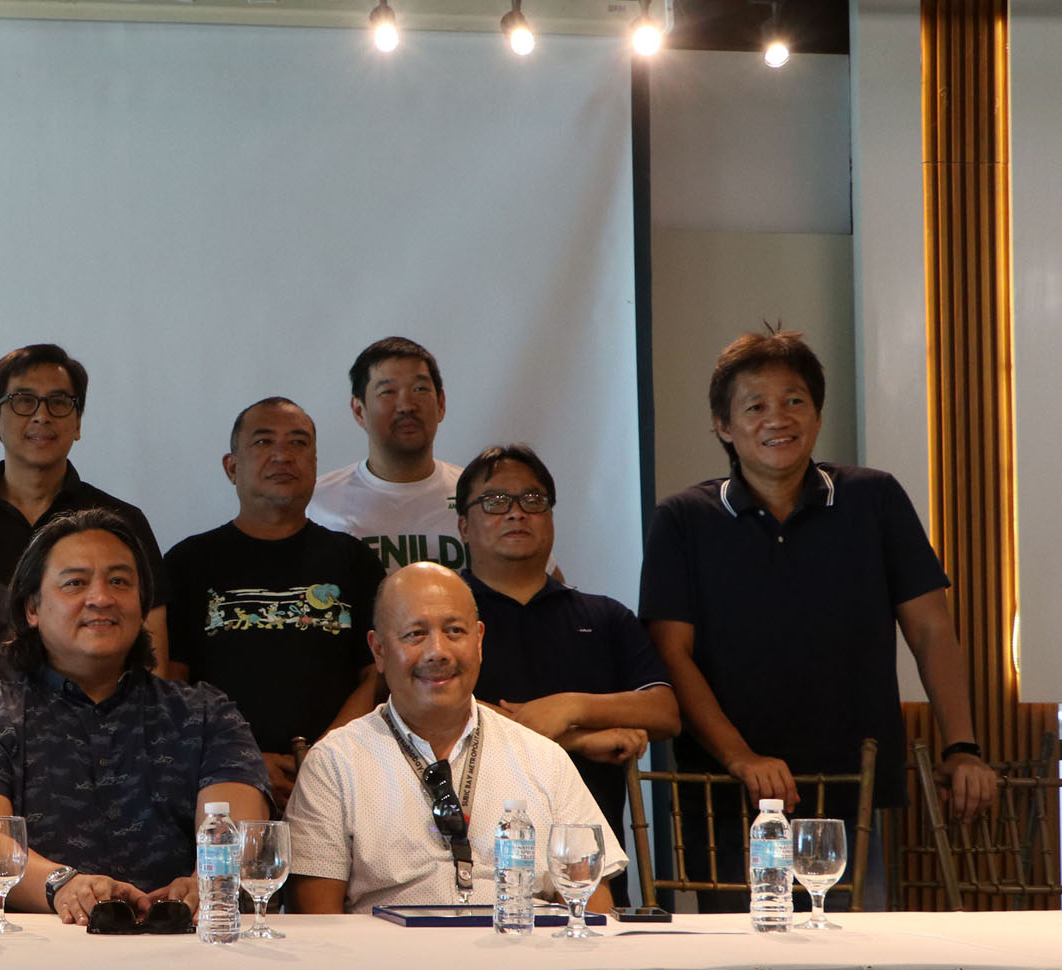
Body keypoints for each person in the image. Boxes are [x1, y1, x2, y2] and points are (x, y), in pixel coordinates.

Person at [639, 328, 995, 909]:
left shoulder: (873, 499)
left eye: (794, 400)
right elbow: (670, 652)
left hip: (848, 789)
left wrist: (964, 745)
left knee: (851, 964)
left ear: (818, 413)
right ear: (723, 427)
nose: (777, 418)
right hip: (730, 795)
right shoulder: (683, 519)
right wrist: (741, 757)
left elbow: (931, 628)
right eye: (755, 406)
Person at [0, 508, 271, 925]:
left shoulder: (205, 712)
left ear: (143, 607)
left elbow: (237, 826)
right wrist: (64, 886)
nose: (101, 598)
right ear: (32, 608)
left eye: (120, 581)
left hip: (179, 947)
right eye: (75, 583)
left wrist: (206, 886)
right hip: (24, 955)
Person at [286, 563, 624, 914]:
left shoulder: (543, 758)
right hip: (394, 964)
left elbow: (591, 907)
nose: (438, 652)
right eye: (415, 634)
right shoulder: (334, 763)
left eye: (454, 631)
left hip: (523, 957)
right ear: (379, 651)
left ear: (479, 641)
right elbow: (319, 926)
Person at [456, 443, 678, 903]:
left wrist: (571, 707)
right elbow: (441, 718)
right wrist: (579, 739)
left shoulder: (604, 616)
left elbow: (664, 711)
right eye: (495, 501)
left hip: (585, 865)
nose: (516, 513)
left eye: (532, 500)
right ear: (463, 525)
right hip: (472, 862)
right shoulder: (447, 616)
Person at [163, 397, 382, 805]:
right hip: (218, 781)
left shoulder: (354, 561)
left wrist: (323, 759)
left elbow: (375, 677)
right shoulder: (186, 562)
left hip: (343, 780)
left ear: (315, 465)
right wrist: (239, 759)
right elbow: (172, 686)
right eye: (263, 442)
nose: (283, 455)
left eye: (298, 444)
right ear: (232, 467)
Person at [0, 344, 169, 689]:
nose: (41, 415)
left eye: (59, 402)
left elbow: (151, 653)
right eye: (23, 401)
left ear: (77, 423)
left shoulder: (121, 523)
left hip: (99, 728)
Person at [307, 336, 467, 572]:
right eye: (388, 392)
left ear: (441, 403)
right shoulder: (317, 503)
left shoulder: (473, 495)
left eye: (420, 389)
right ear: (359, 410)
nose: (406, 406)